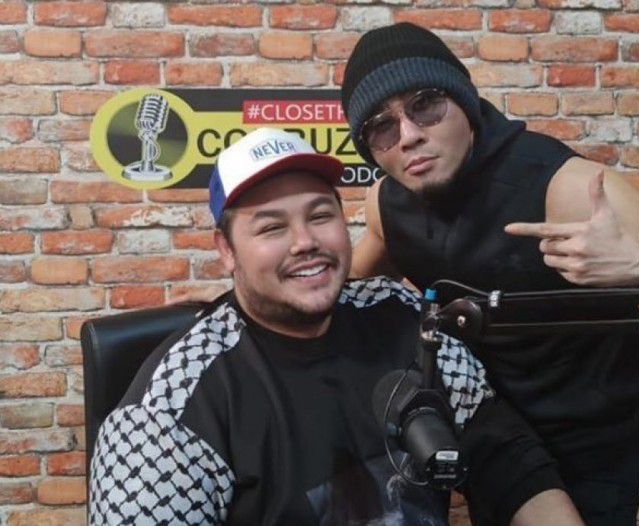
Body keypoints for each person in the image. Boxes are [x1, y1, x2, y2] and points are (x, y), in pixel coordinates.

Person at [340, 22, 639, 525]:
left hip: (596, 425)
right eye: (382, 126)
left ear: (464, 101)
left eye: (425, 104)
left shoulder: (561, 186)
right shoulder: (387, 204)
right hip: (493, 421)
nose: (408, 135)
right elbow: (346, 287)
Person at [89, 128, 584, 525]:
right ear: (226, 250)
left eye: (320, 215)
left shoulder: (398, 313)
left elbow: (507, 458)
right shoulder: (166, 414)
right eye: (272, 227)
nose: (305, 242)